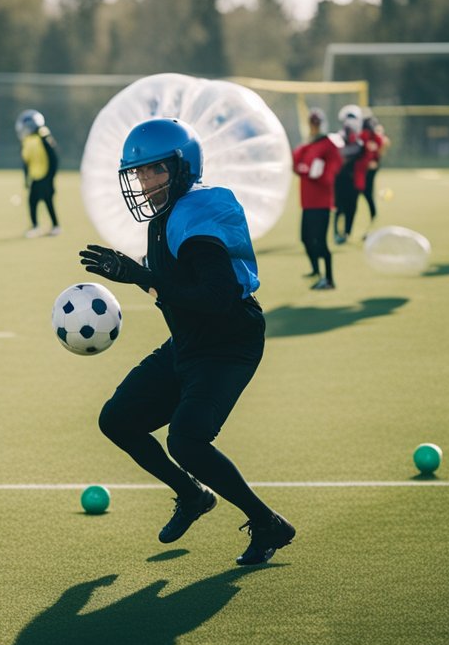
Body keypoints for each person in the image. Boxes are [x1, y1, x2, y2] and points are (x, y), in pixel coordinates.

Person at [78, 118, 295, 566]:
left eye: (153, 171)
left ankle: (267, 521)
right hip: (190, 343)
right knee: (118, 420)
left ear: (181, 169)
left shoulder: (198, 218)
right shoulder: (164, 218)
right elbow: (176, 293)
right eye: (137, 173)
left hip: (228, 344)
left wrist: (140, 276)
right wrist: (139, 276)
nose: (142, 181)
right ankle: (191, 496)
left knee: (187, 441)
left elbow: (214, 300)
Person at [292, 108, 343, 290]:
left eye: (316, 123)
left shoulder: (328, 144)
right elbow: (297, 163)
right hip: (307, 202)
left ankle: (329, 279)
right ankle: (316, 271)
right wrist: (306, 169)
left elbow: (329, 174)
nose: (314, 126)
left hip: (321, 203)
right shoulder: (309, 144)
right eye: (312, 123)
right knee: (305, 239)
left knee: (320, 242)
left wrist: (316, 172)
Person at [16, 109, 61, 238]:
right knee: (32, 201)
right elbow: (26, 162)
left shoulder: (44, 138)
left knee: (48, 201)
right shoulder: (28, 141)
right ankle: (36, 226)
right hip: (35, 177)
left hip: (46, 176)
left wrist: (51, 177)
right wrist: (26, 179)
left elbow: (54, 159)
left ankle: (55, 226)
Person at [332, 104, 364, 244]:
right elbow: (339, 153)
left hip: (354, 180)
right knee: (339, 207)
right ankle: (337, 232)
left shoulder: (359, 141)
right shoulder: (339, 138)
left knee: (352, 207)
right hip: (340, 179)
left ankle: (347, 232)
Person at [356, 113, 389, 237]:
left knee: (365, 195)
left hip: (365, 171)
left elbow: (384, 144)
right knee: (366, 196)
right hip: (363, 170)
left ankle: (370, 224)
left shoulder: (371, 137)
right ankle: (371, 222)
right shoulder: (369, 137)